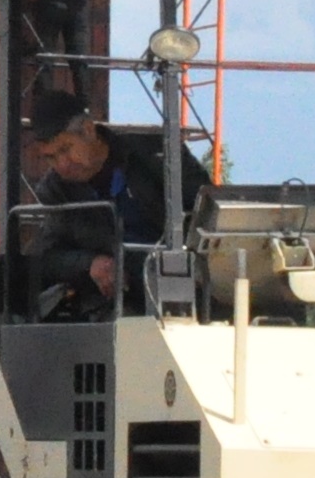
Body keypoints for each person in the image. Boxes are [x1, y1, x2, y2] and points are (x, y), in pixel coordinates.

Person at [12, 87, 198, 321]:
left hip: (189, 287)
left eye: (65, 149)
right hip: (118, 301)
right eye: (51, 157)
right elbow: (46, 256)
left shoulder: (154, 155)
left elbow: (205, 209)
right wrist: (89, 264)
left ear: (88, 130)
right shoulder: (57, 191)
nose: (61, 164)